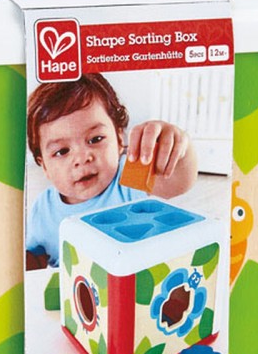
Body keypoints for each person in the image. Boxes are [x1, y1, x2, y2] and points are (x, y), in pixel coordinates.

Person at [25, 73, 198, 269]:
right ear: (44, 167)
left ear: (119, 139)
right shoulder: (43, 209)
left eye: (95, 139)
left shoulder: (129, 178)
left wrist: (178, 150)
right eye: (62, 151)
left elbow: (178, 182)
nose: (82, 158)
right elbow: (36, 257)